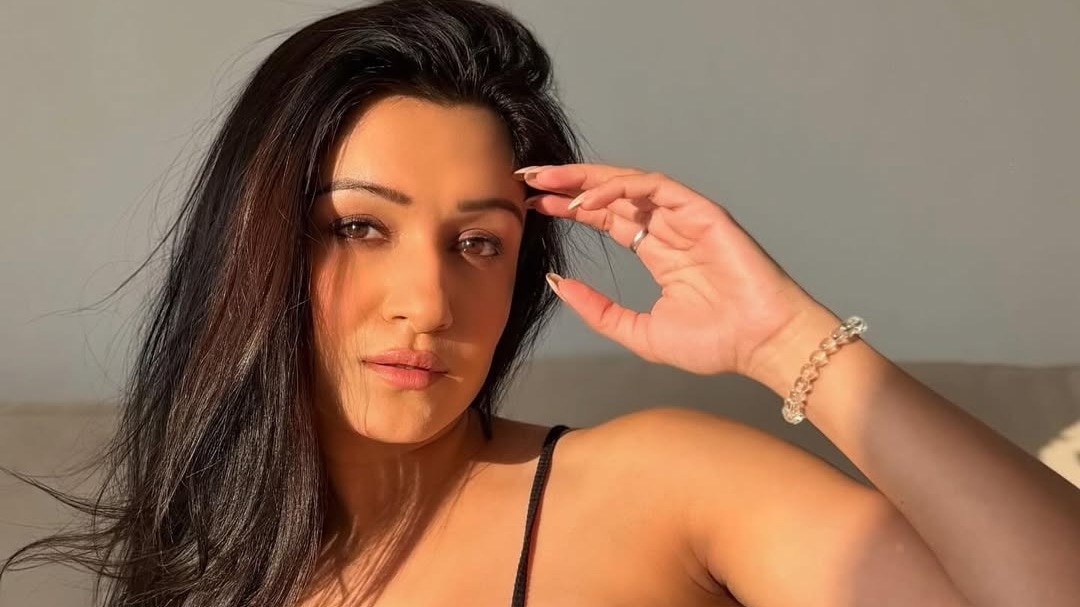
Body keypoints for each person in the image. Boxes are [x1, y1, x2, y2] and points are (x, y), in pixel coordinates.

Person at [3, 1, 1078, 606]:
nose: (428, 301)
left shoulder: (660, 485)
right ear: (256, 244)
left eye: (478, 243)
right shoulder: (201, 569)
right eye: (360, 228)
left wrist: (787, 338)